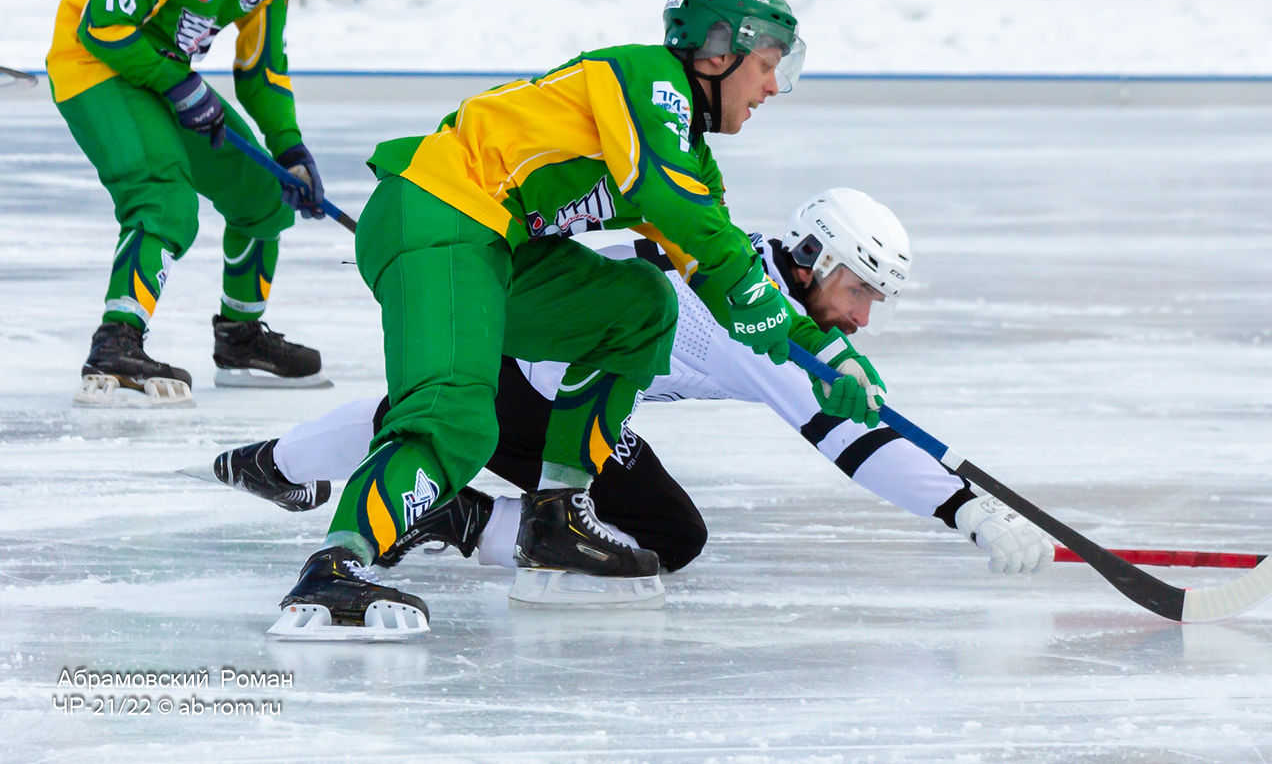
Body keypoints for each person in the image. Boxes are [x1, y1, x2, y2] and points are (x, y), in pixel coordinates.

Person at [270, 0, 888, 640]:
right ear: (718, 52)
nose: (773, 87)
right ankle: (334, 567)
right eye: (767, 65)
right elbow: (675, 211)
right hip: (438, 210)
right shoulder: (649, 82)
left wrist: (827, 353)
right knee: (456, 416)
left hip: (498, 242)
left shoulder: (688, 151)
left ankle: (555, 515)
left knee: (642, 303)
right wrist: (800, 335)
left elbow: (714, 269)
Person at [215, 188, 1053, 605]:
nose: (866, 315)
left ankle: (274, 461)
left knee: (422, 411)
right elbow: (850, 439)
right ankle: (454, 516)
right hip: (548, 394)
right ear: (814, 259)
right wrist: (963, 510)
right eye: (860, 289)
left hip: (529, 356)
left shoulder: (747, 269)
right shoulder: (758, 324)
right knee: (667, 535)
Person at [46, 0, 330, 409]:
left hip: (162, 69)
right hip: (95, 62)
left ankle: (240, 337)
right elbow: (103, 26)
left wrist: (290, 148)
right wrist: (180, 86)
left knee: (262, 195)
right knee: (164, 196)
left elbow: (261, 70)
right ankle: (117, 340)